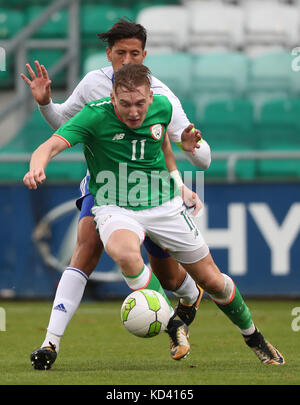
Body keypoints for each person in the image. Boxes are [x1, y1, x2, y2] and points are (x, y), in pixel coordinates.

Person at [24, 63, 285, 370]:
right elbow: (50, 145)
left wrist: (183, 171)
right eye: (125, 104)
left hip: (164, 205)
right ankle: (174, 324)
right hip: (115, 206)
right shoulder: (94, 115)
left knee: (213, 281)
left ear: (150, 97)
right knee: (124, 253)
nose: (133, 111)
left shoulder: (162, 106)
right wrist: (36, 165)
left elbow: (163, 143)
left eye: (139, 104)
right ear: (112, 97)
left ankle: (253, 336)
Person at [21, 20, 211, 368]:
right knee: (85, 251)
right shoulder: (93, 83)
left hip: (152, 195)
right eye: (120, 52)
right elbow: (65, 123)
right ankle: (50, 344)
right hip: (105, 188)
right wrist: (46, 103)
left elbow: (195, 152)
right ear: (108, 54)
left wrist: (188, 165)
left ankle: (189, 294)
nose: (126, 59)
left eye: (134, 53)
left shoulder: (162, 96)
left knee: (169, 276)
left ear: (144, 56)